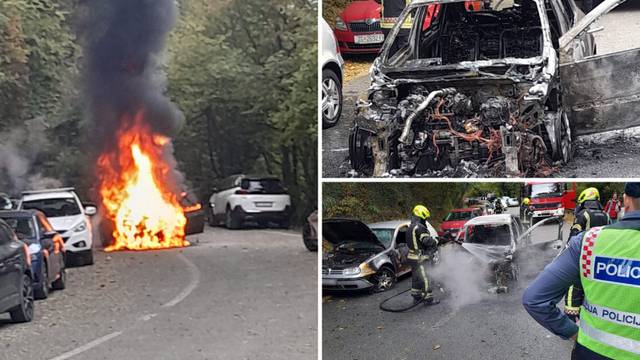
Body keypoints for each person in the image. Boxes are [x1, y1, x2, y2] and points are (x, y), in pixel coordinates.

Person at [523, 182, 640, 359]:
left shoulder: (585, 231)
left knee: (577, 291)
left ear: (627, 201)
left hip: (589, 351)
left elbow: (534, 299)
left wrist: (573, 332)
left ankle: (572, 314)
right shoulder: (606, 214)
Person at [564, 187, 610, 322]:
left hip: (584, 255)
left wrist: (567, 252)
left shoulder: (584, 214)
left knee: (573, 283)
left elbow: (574, 235)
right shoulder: (606, 215)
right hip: (600, 257)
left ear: (584, 200)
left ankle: (570, 316)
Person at [406, 204, 439, 304]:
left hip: (412, 257)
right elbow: (426, 240)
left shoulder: (411, 226)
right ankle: (428, 298)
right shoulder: (420, 228)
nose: (425, 221)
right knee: (426, 277)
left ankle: (416, 296)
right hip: (420, 258)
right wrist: (435, 242)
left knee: (416, 277)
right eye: (425, 218)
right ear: (421, 216)